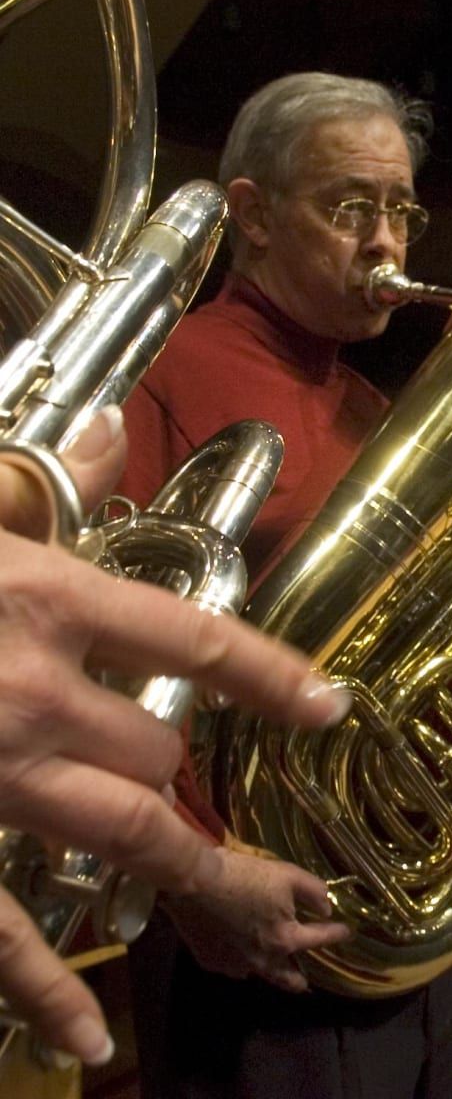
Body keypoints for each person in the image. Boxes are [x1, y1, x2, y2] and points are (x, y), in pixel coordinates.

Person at [117, 70, 452, 1098]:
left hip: (406, 916)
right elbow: (99, 662)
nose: (387, 242)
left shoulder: (372, 408)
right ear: (252, 216)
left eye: (402, 210)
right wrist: (196, 875)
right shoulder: (161, 376)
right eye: (350, 207)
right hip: (249, 922)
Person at [0, 405, 351, 1069]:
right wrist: (202, 870)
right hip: (243, 887)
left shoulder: (357, 398)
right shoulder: (172, 382)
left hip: (374, 864)